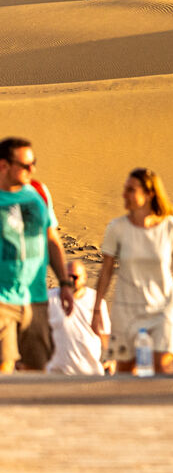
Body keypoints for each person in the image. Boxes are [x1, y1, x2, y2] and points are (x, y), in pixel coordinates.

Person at [92, 167, 173, 376]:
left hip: (163, 309)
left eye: (131, 190)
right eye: (125, 189)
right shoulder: (117, 228)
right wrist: (96, 309)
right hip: (126, 310)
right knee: (125, 370)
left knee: (162, 366)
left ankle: (161, 409)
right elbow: (105, 272)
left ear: (149, 194)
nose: (124, 195)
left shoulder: (172, 227)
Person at [0, 137, 74, 374]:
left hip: (35, 297)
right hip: (1, 299)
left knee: (36, 369)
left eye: (34, 163)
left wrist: (64, 282)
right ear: (3, 166)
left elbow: (52, 239)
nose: (31, 170)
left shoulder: (39, 193)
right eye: (24, 165)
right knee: (4, 366)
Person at [47, 260, 111, 375]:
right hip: (55, 374)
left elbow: (105, 334)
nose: (71, 280)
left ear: (85, 278)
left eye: (75, 277)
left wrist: (112, 359)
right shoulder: (50, 298)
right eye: (67, 276)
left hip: (89, 374)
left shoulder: (96, 301)